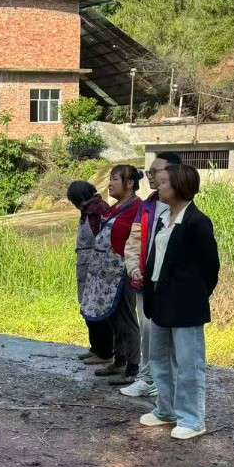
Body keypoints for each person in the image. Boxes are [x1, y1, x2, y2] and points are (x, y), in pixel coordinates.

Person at [138, 162, 219, 440]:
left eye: (163, 183)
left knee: (188, 363)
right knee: (159, 358)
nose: (158, 187)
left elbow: (210, 268)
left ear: (179, 186)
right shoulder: (164, 218)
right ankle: (166, 409)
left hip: (185, 304)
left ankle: (192, 419)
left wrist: (193, 296)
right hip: (159, 298)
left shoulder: (197, 222)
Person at [122, 152, 182, 398]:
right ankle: (147, 378)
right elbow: (134, 241)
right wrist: (134, 268)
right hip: (145, 284)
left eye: (155, 172)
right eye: (149, 172)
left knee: (171, 337)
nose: (150, 177)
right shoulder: (147, 206)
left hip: (170, 287)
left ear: (173, 173)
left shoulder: (183, 209)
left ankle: (165, 382)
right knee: (148, 333)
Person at [95, 164, 144, 386]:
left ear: (130, 183)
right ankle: (119, 360)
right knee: (114, 317)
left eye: (115, 179)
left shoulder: (138, 208)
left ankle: (133, 367)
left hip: (124, 271)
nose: (110, 183)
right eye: (111, 178)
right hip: (108, 273)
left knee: (127, 317)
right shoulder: (116, 207)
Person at [67, 180, 115, 365]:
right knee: (88, 308)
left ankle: (104, 352)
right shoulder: (90, 209)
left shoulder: (97, 211)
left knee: (97, 309)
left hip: (96, 267)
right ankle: (96, 348)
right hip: (87, 265)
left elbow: (104, 240)